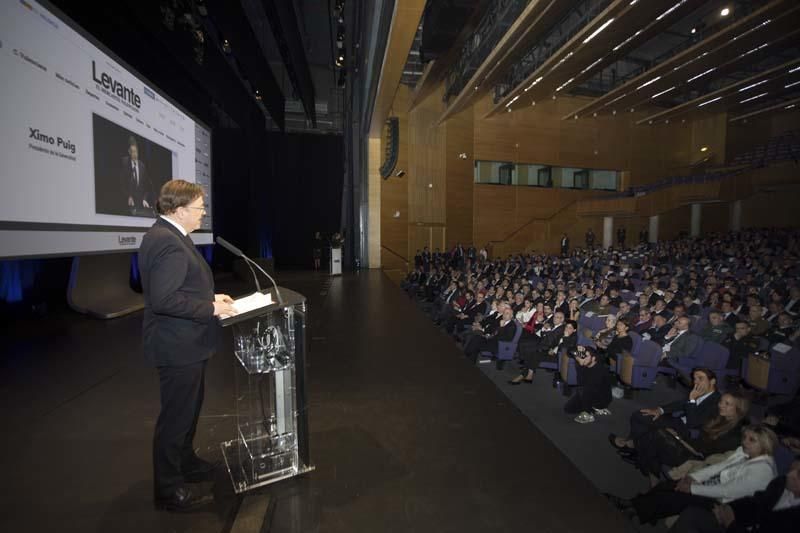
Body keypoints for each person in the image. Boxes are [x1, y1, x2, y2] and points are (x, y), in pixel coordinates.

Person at [139, 179, 237, 511]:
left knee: (188, 411)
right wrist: (210, 308)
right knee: (176, 417)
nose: (204, 213)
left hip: (187, 343)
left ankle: (187, 463)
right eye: (199, 208)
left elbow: (180, 287)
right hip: (177, 345)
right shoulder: (167, 242)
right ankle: (168, 490)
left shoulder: (171, 235)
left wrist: (210, 297)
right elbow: (165, 300)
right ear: (179, 211)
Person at [610, 425, 779, 525]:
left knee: (678, 496)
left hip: (725, 504)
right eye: (746, 438)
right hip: (713, 487)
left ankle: (634, 510)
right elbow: (719, 466)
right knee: (670, 484)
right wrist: (693, 478)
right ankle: (632, 506)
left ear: (765, 444)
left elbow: (728, 491)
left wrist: (692, 489)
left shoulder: (763, 470)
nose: (745, 442)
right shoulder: (744, 452)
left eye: (752, 440)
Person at [670, 460, 800, 532]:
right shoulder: (780, 484)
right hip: (738, 523)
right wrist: (728, 509)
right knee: (692, 514)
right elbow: (755, 502)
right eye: (792, 469)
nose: (790, 474)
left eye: (798, 475)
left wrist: (731, 524)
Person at [609, 368, 720, 452]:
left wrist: (692, 400)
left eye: (701, 378)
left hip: (688, 431)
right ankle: (633, 444)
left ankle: (632, 445)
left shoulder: (717, 402)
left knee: (649, 426)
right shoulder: (699, 391)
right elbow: (680, 404)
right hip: (678, 420)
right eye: (695, 379)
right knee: (640, 415)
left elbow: (693, 423)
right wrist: (660, 410)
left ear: (712, 381)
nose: (696, 382)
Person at [565, 346, 613, 424]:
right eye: (581, 356)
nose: (581, 358)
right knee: (568, 409)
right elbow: (569, 352)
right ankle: (592, 409)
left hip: (601, 397)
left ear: (593, 358)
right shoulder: (581, 363)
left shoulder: (599, 369)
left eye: (586, 356)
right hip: (585, 392)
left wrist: (586, 410)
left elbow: (590, 389)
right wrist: (577, 348)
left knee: (584, 389)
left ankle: (591, 411)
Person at [121, 136, 153, 212]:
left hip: (140, 204)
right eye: (133, 152)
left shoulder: (142, 165)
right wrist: (128, 196)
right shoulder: (124, 162)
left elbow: (146, 185)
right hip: (128, 203)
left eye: (136, 151)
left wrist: (144, 199)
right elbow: (121, 183)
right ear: (129, 152)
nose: (135, 154)